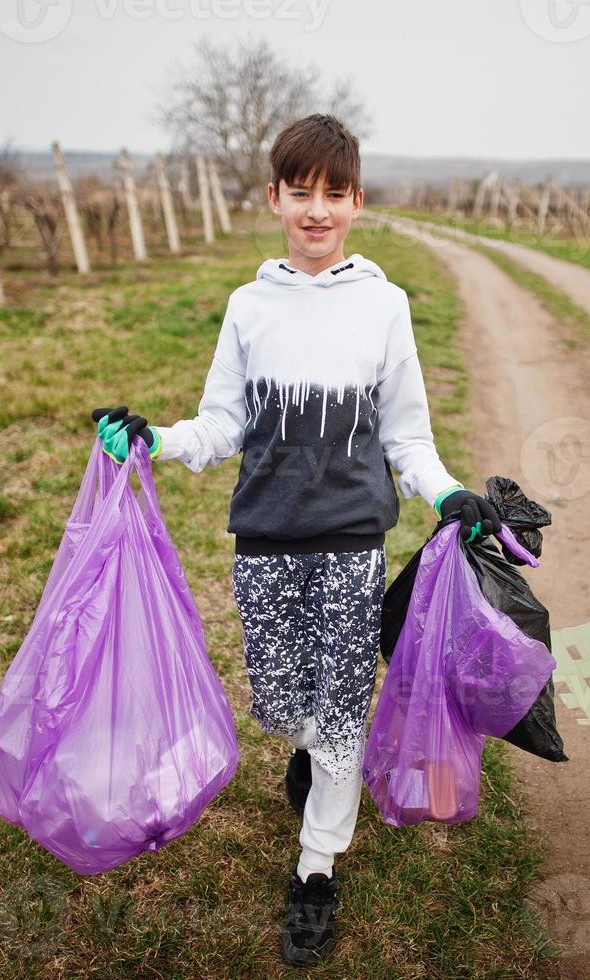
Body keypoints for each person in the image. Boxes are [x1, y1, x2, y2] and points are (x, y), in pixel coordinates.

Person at [91, 114, 500, 967]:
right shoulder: (249, 307)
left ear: (357, 202)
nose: (317, 211)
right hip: (265, 540)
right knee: (283, 703)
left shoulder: (385, 308)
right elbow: (222, 421)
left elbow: (408, 436)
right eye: (300, 193)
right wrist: (157, 441)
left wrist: (449, 492)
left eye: (334, 195)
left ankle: (317, 868)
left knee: (343, 705)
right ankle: (315, 759)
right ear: (274, 198)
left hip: (351, 541)